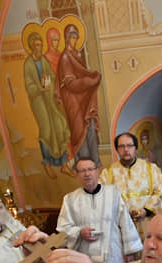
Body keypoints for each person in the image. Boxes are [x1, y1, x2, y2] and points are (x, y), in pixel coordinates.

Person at [57, 158, 142, 263]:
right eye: (82, 171)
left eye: (90, 169)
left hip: (113, 256)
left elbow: (126, 222)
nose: (87, 174)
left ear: (97, 171)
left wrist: (129, 251)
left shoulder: (113, 193)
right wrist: (79, 232)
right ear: (77, 175)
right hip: (85, 258)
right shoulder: (70, 199)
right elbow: (62, 229)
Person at [99, 132, 162, 238]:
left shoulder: (151, 169)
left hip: (147, 224)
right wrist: (122, 214)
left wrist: (146, 210)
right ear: (117, 150)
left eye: (129, 145)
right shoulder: (107, 173)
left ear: (135, 148)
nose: (126, 149)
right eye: (121, 146)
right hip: (122, 227)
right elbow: (102, 198)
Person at [23, 31, 70, 180]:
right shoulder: (28, 64)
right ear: (31, 46)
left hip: (49, 99)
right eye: (36, 45)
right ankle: (47, 165)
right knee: (46, 130)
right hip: (38, 102)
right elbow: (29, 86)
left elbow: (52, 76)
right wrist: (40, 88)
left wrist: (55, 82)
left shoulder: (43, 60)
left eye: (40, 44)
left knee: (59, 125)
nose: (39, 47)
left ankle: (64, 164)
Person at [57, 23, 101, 168]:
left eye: (76, 37)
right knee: (79, 131)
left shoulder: (77, 55)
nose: (74, 40)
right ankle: (83, 165)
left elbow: (82, 73)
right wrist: (89, 81)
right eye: (72, 37)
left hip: (84, 99)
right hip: (73, 101)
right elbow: (70, 83)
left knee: (90, 126)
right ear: (67, 39)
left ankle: (94, 162)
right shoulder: (65, 58)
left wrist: (90, 78)